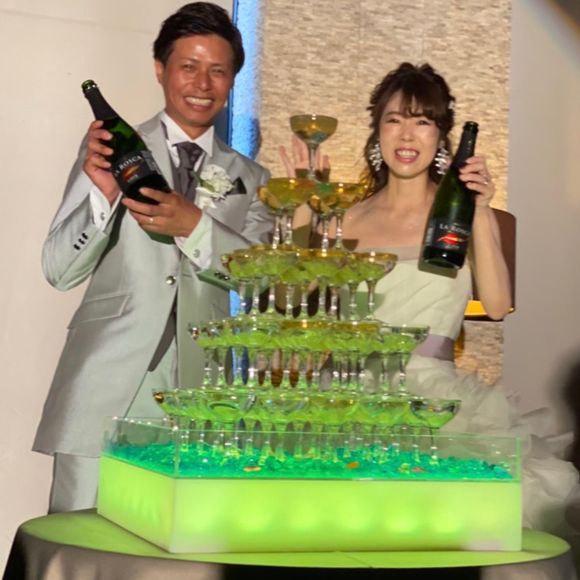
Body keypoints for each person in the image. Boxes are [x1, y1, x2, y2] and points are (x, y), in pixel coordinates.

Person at [284, 62, 580, 536]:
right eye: (394, 119)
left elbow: (497, 304)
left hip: (433, 399)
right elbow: (291, 298)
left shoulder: (460, 214)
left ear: (441, 137)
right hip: (342, 394)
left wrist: (480, 210)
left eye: (422, 121)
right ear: (377, 132)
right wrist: (303, 206)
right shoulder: (346, 218)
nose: (407, 134)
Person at [34, 2, 272, 513]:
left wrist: (195, 227)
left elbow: (262, 279)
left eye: (218, 70)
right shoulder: (112, 148)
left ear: (232, 80)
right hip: (104, 386)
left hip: (199, 395)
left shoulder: (251, 178)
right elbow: (57, 269)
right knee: (81, 535)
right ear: (160, 69)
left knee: (177, 537)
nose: (202, 83)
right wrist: (103, 196)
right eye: (189, 66)